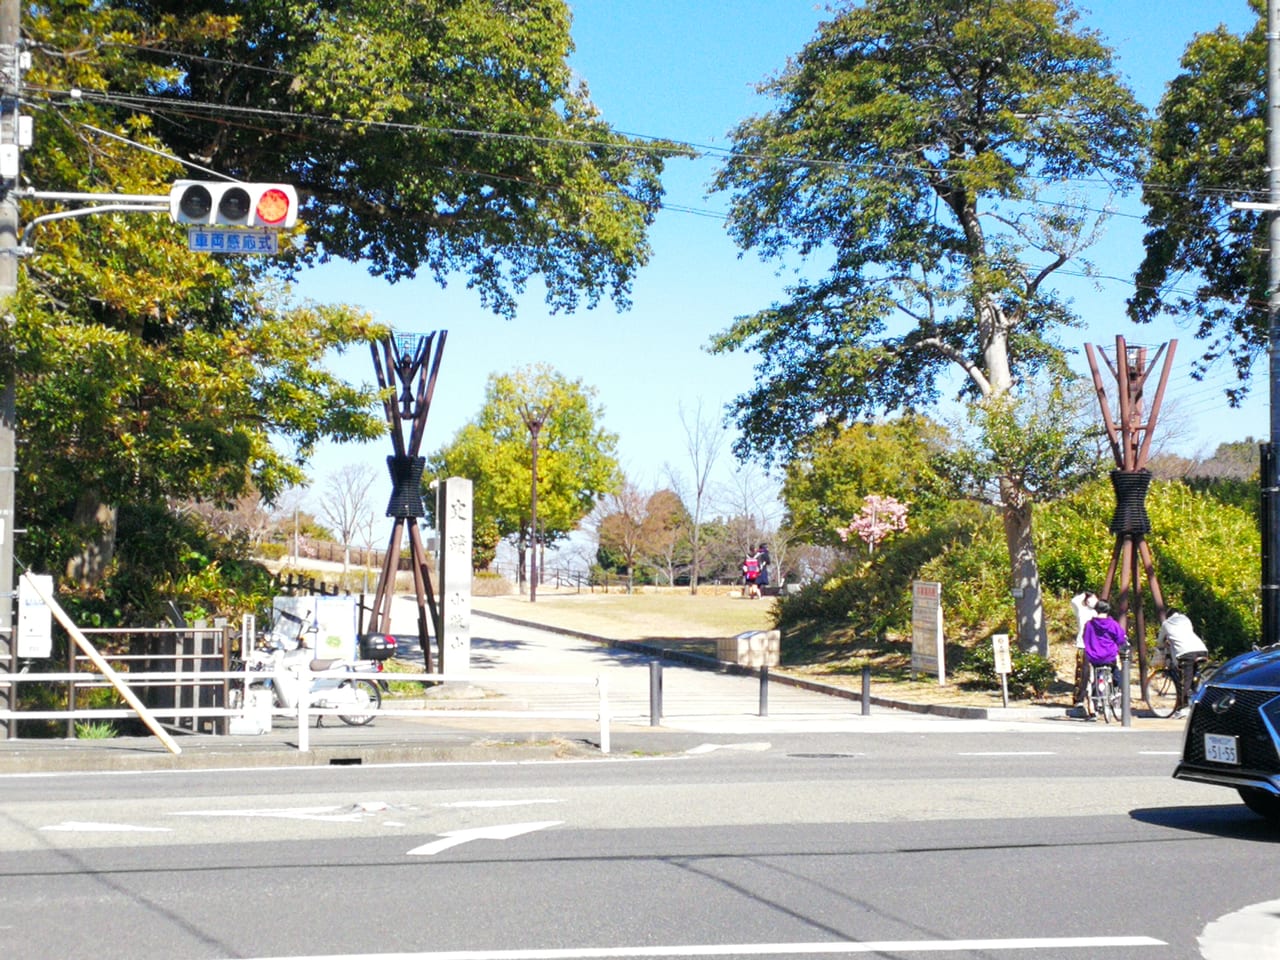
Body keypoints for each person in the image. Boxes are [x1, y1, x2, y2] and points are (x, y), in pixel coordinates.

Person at [1158, 609, 1208, 716]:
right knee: (1193, 680)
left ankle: (1183, 708)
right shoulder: (1186, 619)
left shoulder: (1166, 624)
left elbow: (1160, 642)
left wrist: (1163, 646)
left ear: (1168, 616)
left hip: (1186, 653)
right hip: (1201, 649)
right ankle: (1195, 698)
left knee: (1184, 681)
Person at [1082, 600, 1127, 714]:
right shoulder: (1113, 624)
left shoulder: (1089, 625)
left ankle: (1095, 701)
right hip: (1109, 656)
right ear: (1108, 610)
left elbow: (1085, 638)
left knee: (1096, 677)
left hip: (1094, 657)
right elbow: (1120, 639)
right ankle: (1117, 691)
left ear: (1096, 610)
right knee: (1116, 671)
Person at [1070, 591, 1098, 706]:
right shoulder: (1081, 609)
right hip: (1083, 645)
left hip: (1095, 646)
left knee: (1097, 672)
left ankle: (1097, 698)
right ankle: (1079, 698)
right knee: (1083, 673)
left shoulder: (1096, 612)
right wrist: (1086, 594)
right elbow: (1074, 601)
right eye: (1092, 598)